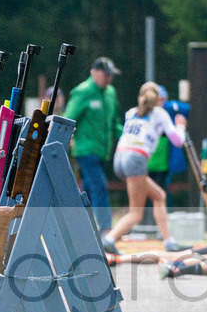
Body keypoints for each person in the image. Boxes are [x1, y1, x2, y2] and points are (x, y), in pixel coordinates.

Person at [101, 81, 188, 254]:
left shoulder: (131, 112)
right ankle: (108, 240)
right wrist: (180, 126)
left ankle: (169, 241)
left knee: (159, 195)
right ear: (159, 100)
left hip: (119, 159)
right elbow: (178, 141)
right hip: (135, 159)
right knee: (136, 213)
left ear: (140, 97)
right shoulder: (160, 113)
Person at [63, 56, 123, 233]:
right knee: (99, 186)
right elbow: (67, 119)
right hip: (85, 150)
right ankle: (106, 230)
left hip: (103, 151)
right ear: (94, 72)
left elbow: (115, 122)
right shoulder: (82, 92)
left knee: (88, 191)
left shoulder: (110, 93)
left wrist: (126, 139)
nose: (109, 79)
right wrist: (65, 143)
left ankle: (81, 227)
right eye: (106, 75)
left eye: (111, 75)